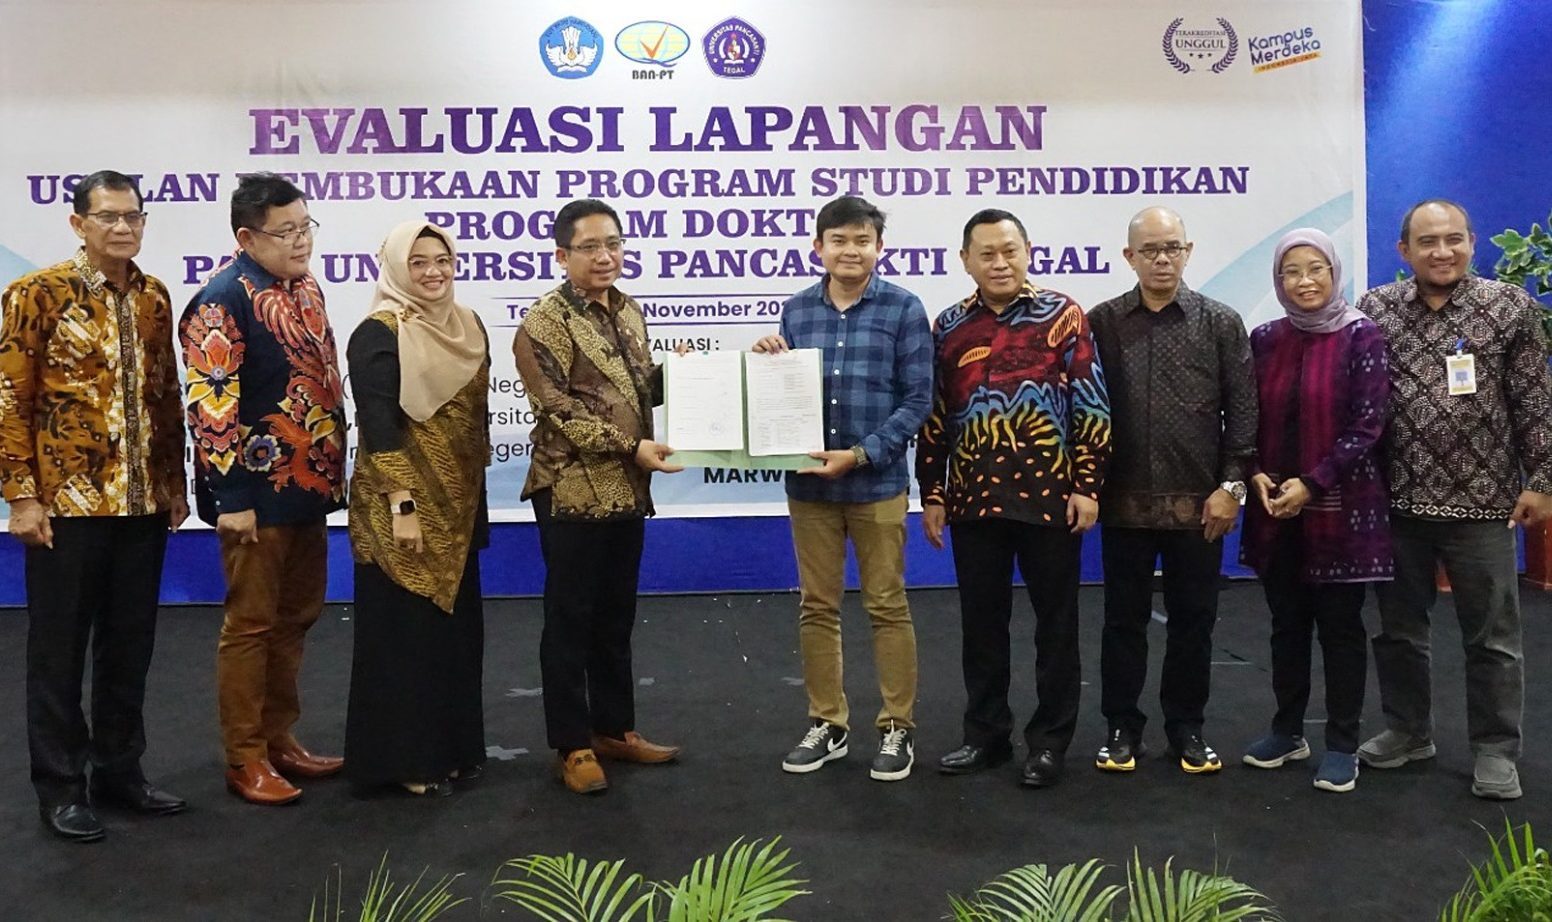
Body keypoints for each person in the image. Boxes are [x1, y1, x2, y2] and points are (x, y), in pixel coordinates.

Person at [1, 171, 188, 842]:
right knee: (57, 653)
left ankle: (119, 771)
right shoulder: (38, 293)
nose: (123, 228)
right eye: (108, 216)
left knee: (129, 647)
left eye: (133, 216)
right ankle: (59, 787)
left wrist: (174, 482)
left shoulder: (154, 296)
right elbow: (10, 398)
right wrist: (21, 495)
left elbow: (165, 395)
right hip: (67, 507)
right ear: (78, 224)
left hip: (141, 502)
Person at [1357, 199, 1552, 800]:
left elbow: (1534, 399)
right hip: (1397, 503)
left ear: (1472, 241)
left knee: (1493, 638)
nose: (1442, 252)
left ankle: (1495, 750)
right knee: (1398, 632)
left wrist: (1542, 480)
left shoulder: (1510, 307)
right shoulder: (1375, 309)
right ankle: (1408, 730)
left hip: (1485, 507)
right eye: (1427, 242)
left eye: (1453, 239)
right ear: (1404, 251)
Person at [917, 208, 1111, 788]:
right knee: (981, 626)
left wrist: (1088, 485)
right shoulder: (950, 326)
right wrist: (933, 491)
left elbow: (1091, 403)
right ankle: (985, 736)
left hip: (1051, 497)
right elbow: (936, 415)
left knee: (1057, 627)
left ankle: (1049, 743)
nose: (999, 263)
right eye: (987, 253)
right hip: (972, 499)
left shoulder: (1063, 314)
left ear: (1028, 252)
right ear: (965, 261)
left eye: (1010, 251)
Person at [751, 196, 933, 782]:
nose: (850, 251)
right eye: (838, 240)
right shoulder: (797, 310)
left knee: (887, 605)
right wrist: (765, 363)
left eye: (861, 241)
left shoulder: (904, 309)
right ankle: (827, 723)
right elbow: (781, 394)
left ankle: (897, 727)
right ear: (818, 247)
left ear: (879, 248)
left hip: (878, 483)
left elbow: (918, 401)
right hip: (810, 488)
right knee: (817, 606)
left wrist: (860, 454)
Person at [180, 172, 348, 805]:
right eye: (286, 232)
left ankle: (280, 738)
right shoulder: (221, 300)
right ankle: (244, 756)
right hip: (253, 495)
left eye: (306, 227)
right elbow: (212, 407)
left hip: (307, 486)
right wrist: (232, 500)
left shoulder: (304, 286)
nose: (301, 241)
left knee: (296, 617)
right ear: (247, 237)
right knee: (251, 625)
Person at [513, 199, 684, 795]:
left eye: (613, 243)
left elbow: (636, 390)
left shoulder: (629, 309)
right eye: (589, 247)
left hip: (627, 488)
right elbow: (558, 410)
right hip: (570, 488)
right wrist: (631, 446)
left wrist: (685, 376)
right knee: (570, 618)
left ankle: (614, 728)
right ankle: (573, 744)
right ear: (562, 256)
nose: (605, 256)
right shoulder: (544, 322)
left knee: (615, 615)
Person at [1086, 207, 1256, 775]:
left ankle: (1187, 727)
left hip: (1202, 506)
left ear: (1189, 251)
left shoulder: (1220, 322)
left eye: (1172, 248)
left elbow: (1244, 412)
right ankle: (1121, 727)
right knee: (1122, 623)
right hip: (1123, 504)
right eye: (1150, 250)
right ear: (1129, 256)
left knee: (1194, 622)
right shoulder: (1102, 323)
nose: (1162, 259)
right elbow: (1085, 410)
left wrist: (1232, 486)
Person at [1238, 228, 1390, 793]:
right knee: (1287, 625)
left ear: (1334, 272)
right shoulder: (1265, 338)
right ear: (1278, 280)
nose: (1304, 281)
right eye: (1291, 272)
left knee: (1341, 629)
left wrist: (1313, 481)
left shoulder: (1361, 335)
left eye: (1315, 269)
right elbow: (1246, 415)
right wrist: (1254, 470)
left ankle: (1343, 744)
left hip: (1340, 510)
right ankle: (1287, 731)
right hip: (1276, 509)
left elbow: (1368, 425)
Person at [343, 221, 490, 797]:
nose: (433, 272)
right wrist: (402, 504)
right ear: (397, 269)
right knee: (403, 634)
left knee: (454, 635)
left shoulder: (468, 325)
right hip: (399, 505)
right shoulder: (378, 334)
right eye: (419, 262)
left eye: (442, 260)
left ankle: (452, 750)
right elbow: (379, 429)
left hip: (460, 505)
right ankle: (404, 761)